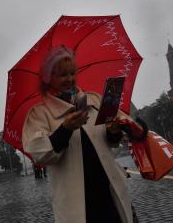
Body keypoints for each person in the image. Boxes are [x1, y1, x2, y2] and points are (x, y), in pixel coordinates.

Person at [22, 45, 139, 223]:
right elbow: (39, 154)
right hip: (77, 206)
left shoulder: (94, 100)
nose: (70, 79)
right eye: (63, 75)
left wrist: (114, 132)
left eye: (72, 73)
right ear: (48, 78)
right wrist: (65, 129)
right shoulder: (39, 114)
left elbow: (110, 146)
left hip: (111, 195)